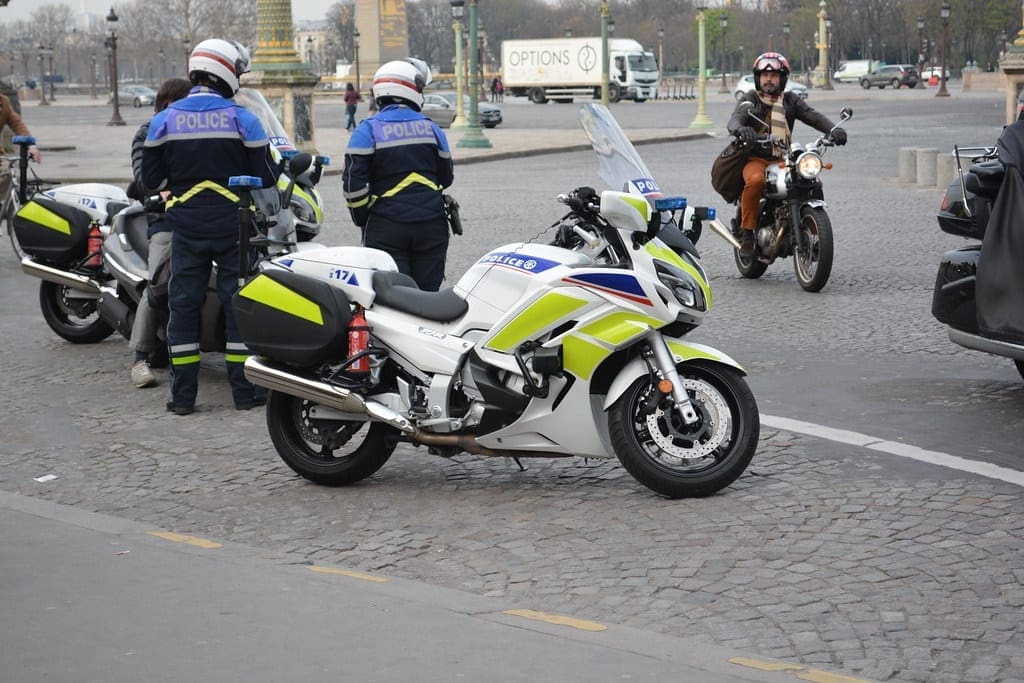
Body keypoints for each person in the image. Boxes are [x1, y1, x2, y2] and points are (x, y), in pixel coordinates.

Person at [141, 39, 280, 415]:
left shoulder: (165, 119)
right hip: (233, 226)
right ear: (224, 72)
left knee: (183, 307)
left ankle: (182, 397)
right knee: (238, 305)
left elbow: (150, 179)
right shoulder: (242, 119)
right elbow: (266, 175)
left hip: (185, 226)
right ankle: (244, 393)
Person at [342, 58, 454, 291]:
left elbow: (354, 188)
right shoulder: (432, 128)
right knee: (427, 296)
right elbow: (446, 178)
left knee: (393, 297)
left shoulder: (366, 130)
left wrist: (365, 218)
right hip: (431, 225)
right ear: (411, 89)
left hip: (386, 226)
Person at [727, 52, 847, 255]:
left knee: (810, 180)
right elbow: (734, 120)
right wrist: (741, 129)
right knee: (755, 180)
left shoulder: (791, 100)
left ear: (782, 78)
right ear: (758, 78)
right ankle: (747, 233)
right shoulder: (750, 100)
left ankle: (813, 228)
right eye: (764, 75)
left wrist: (833, 129)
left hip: (784, 158)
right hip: (757, 158)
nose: (768, 79)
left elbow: (812, 116)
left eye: (773, 75)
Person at [127, 77, 191, 389]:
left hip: (197, 216)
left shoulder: (192, 131)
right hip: (164, 219)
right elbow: (143, 179)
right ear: (165, 105)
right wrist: (166, 189)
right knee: (158, 283)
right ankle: (138, 359)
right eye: (180, 104)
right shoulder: (147, 132)